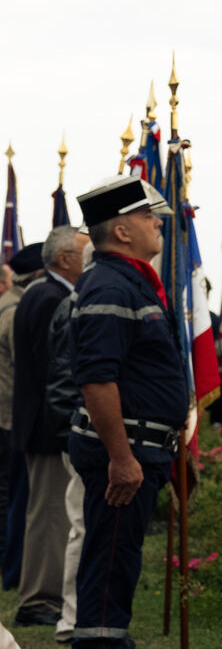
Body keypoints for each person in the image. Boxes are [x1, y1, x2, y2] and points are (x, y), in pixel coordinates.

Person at [69, 176, 185, 649]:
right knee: (110, 560)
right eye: (146, 216)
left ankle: (106, 638)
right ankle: (100, 643)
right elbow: (97, 379)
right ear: (121, 230)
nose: (157, 223)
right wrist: (120, 457)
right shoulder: (111, 286)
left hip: (141, 448)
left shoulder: (130, 282)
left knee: (118, 558)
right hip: (124, 451)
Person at [11, 225, 88, 629]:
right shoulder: (50, 298)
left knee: (51, 511)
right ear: (64, 260)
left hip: (41, 421)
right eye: (84, 253)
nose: (90, 259)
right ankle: (39, 599)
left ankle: (42, 596)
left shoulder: (42, 292)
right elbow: (53, 368)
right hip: (46, 425)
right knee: (50, 514)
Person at [49, 241, 95, 644]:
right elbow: (66, 380)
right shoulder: (77, 305)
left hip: (81, 429)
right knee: (81, 525)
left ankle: (85, 614)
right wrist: (72, 432)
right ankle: (72, 618)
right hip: (79, 432)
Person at [0, 244, 42, 592]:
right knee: (12, 495)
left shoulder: (9, 305)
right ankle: (8, 563)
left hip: (8, 415)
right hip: (11, 417)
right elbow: (25, 366)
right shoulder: (15, 310)